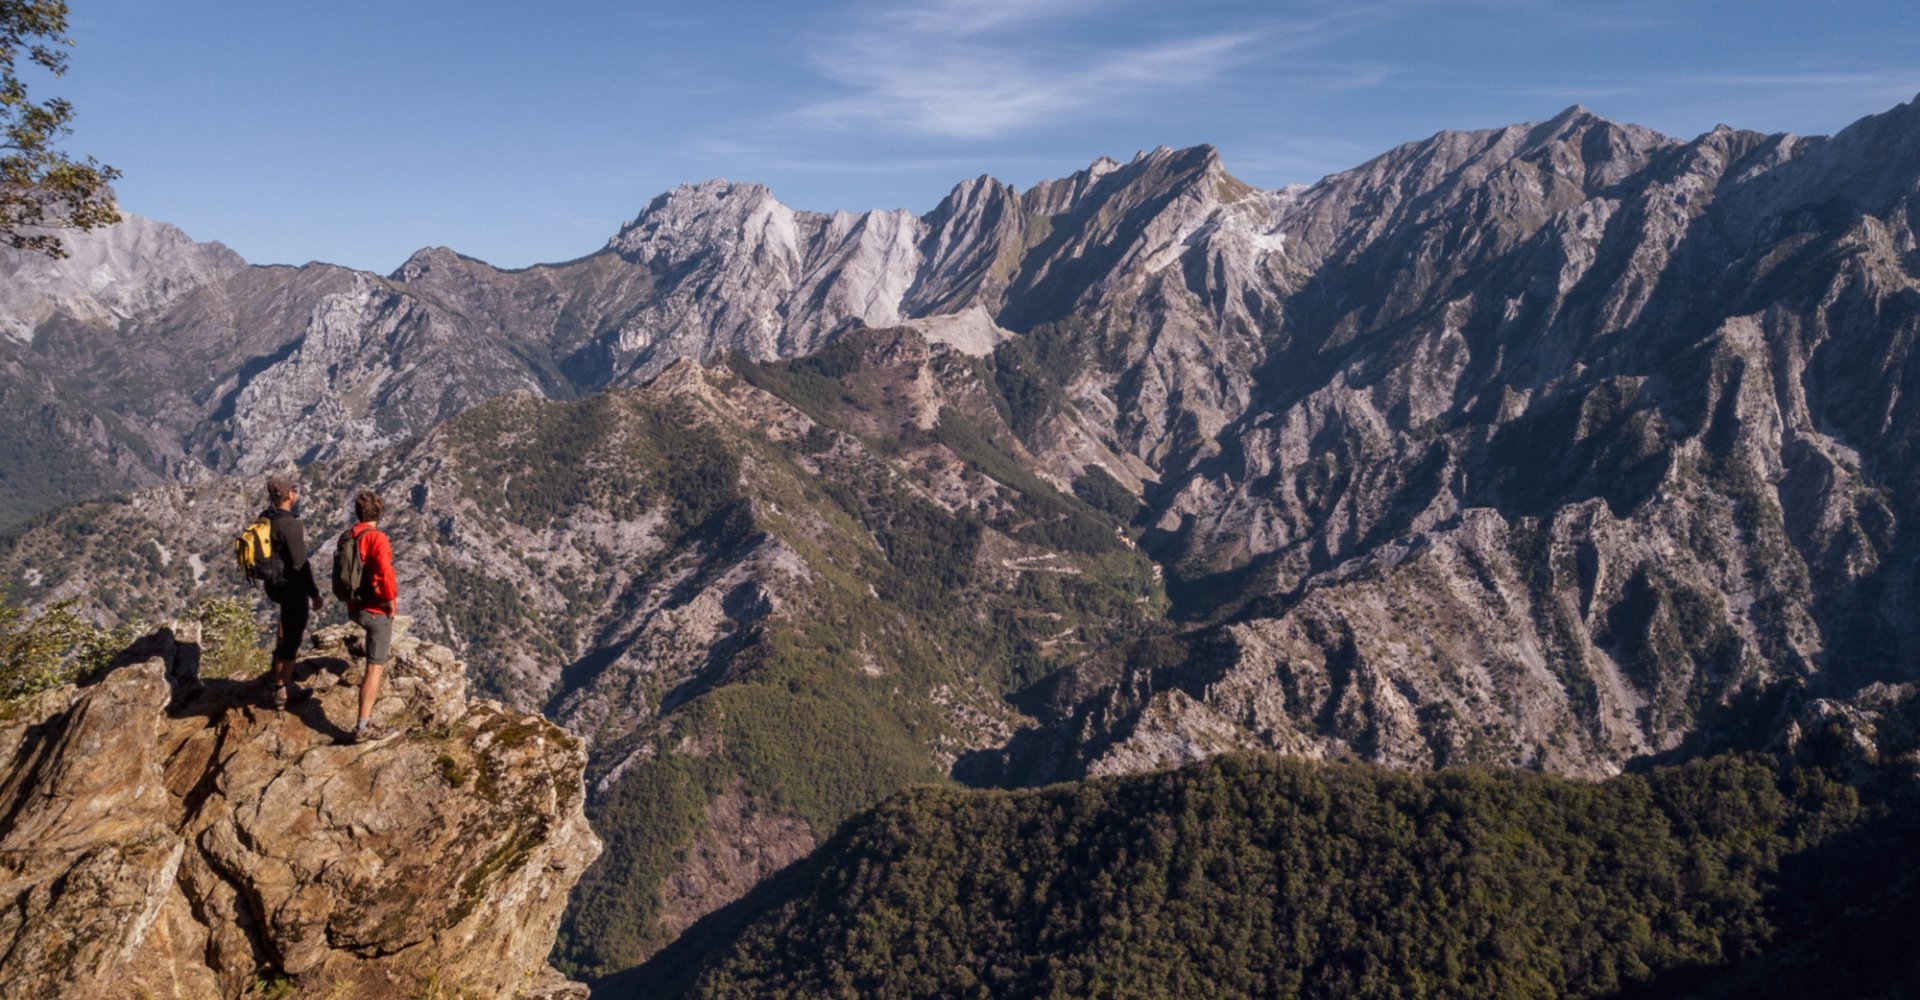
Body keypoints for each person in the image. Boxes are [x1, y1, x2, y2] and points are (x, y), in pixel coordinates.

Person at [341, 488, 398, 744]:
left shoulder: (347, 536)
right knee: (375, 668)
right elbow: (385, 573)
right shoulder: (377, 539)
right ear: (380, 512)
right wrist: (389, 600)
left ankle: (364, 721)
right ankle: (363, 725)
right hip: (375, 609)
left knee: (372, 664)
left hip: (354, 607)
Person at [262, 474, 323, 709]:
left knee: (285, 624)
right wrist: (314, 593)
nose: (295, 493)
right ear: (290, 495)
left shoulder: (266, 518)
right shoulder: (290, 525)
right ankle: (281, 689)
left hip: (273, 584)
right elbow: (300, 564)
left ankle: (277, 669)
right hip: (291, 587)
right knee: (293, 637)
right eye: (294, 490)